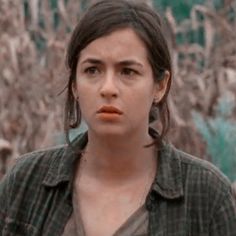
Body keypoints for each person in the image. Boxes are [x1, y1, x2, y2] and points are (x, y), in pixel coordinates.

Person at [0, 0, 236, 235]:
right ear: (74, 84)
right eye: (92, 70)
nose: (108, 88)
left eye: (128, 71)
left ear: (160, 85)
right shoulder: (26, 182)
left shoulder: (206, 196)